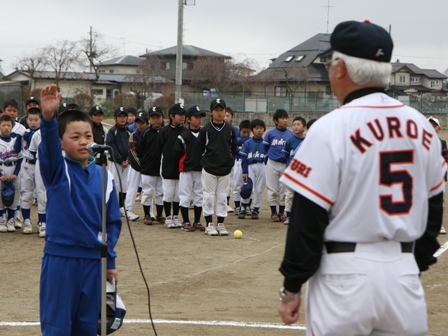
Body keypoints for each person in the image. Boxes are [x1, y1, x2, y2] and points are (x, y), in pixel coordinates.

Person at [278, 20, 446, 336]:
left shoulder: (330, 127)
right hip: (403, 273)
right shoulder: (422, 127)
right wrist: (411, 265)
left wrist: (291, 287)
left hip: (343, 276)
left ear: (341, 69)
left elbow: (307, 218)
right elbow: (434, 208)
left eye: (330, 62)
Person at [39, 84, 122, 335]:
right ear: (62, 144)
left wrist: (110, 261)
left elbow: (111, 223)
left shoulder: (105, 176)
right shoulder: (57, 171)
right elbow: (49, 149)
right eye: (75, 137)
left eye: (88, 136)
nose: (83, 141)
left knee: (88, 327)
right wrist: (48, 118)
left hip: (94, 263)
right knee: (57, 327)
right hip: (61, 260)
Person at [194, 98, 237, 236]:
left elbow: (234, 148)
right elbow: (199, 149)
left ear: (225, 111)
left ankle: (220, 224)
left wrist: (230, 161)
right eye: (216, 110)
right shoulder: (206, 130)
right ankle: (209, 224)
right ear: (211, 112)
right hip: (209, 169)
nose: (219, 113)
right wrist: (204, 163)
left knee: (222, 197)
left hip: (225, 169)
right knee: (208, 197)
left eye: (221, 110)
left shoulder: (230, 129)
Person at [174, 105, 206, 231]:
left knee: (199, 195)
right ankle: (186, 221)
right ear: (188, 119)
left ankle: (197, 221)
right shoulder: (184, 136)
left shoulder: (204, 134)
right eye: (196, 117)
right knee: (185, 195)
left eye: (200, 117)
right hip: (186, 169)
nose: (199, 120)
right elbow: (176, 153)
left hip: (200, 169)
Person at [159, 103, 186, 228]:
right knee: (169, 193)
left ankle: (176, 216)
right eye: (179, 115)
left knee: (177, 194)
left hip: (180, 167)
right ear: (171, 116)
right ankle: (168, 217)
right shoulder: (165, 131)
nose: (182, 117)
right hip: (167, 166)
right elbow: (159, 148)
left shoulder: (185, 131)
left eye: (183, 115)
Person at [263, 108, 293, 222]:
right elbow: (265, 148)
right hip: (272, 163)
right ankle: (273, 212)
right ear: (276, 121)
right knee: (272, 189)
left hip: (285, 163)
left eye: (286, 118)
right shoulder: (270, 134)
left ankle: (281, 212)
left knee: (283, 189)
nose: (285, 121)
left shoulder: (290, 134)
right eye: (282, 118)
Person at [137, 106, 165, 225]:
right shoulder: (145, 133)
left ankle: (159, 215)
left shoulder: (166, 131)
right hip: (148, 168)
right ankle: (147, 215)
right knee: (148, 192)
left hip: (162, 168)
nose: (156, 120)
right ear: (149, 119)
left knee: (160, 192)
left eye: (158, 117)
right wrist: (145, 162)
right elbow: (139, 150)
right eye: (153, 118)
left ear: (162, 118)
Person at [2, 98, 26, 228]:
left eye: (14, 110)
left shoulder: (20, 127)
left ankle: (15, 216)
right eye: (9, 110)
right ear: (3, 111)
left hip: (16, 162)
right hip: (3, 162)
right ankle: (3, 217)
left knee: (17, 191)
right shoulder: (1, 124)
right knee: (2, 192)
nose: (11, 113)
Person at [238, 119, 267, 220]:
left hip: (262, 165)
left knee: (259, 189)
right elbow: (244, 158)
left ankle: (256, 209)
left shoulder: (265, 143)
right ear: (252, 130)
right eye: (256, 128)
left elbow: (268, 157)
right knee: (248, 188)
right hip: (250, 166)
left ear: (264, 130)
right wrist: (245, 171)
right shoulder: (248, 143)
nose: (259, 130)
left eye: (261, 128)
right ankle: (243, 208)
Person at [19, 107, 41, 234]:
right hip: (27, 164)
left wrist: (27, 135)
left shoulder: (42, 133)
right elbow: (17, 148)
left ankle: (42, 222)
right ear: (26, 120)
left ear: (41, 120)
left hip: (40, 164)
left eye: (36, 120)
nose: (33, 122)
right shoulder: (23, 133)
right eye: (30, 120)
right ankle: (26, 221)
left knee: (41, 194)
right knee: (26, 193)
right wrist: (17, 137)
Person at [124, 110, 149, 221]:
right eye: (138, 122)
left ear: (147, 123)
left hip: (148, 167)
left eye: (142, 123)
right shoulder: (133, 135)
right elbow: (132, 152)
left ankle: (150, 212)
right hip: (136, 166)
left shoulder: (150, 134)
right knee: (132, 187)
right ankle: (128, 210)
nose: (139, 125)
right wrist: (140, 165)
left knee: (148, 190)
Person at [106, 107, 131, 216]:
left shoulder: (129, 131)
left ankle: (121, 206)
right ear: (115, 118)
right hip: (116, 162)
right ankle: (113, 207)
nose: (122, 119)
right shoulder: (112, 131)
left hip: (127, 163)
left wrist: (129, 160)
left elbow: (132, 146)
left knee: (125, 185)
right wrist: (120, 160)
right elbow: (111, 147)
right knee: (115, 184)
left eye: (124, 116)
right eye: (120, 116)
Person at [282, 116, 307, 224]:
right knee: (290, 194)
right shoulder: (289, 141)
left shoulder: (307, 140)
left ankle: (301, 216)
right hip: (291, 171)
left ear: (304, 127)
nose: (296, 127)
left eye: (298, 124)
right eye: (294, 125)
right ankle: (288, 215)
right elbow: (286, 155)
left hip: (304, 172)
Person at [0, 115, 23, 232]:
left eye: (8, 125)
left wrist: (16, 173)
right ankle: (2, 220)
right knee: (1, 196)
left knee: (15, 196)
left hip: (13, 170)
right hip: (2, 169)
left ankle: (11, 221)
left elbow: (20, 159)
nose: (6, 128)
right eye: (3, 125)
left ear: (12, 126)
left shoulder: (16, 141)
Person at [427, 116, 448, 234]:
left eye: (434, 126)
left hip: (438, 177)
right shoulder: (419, 141)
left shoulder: (442, 143)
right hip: (423, 177)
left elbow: (445, 158)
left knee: (439, 201)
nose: (431, 128)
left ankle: (438, 225)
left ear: (439, 128)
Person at [232, 120, 251, 215]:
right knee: (237, 185)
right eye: (244, 132)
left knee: (249, 186)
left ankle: (247, 206)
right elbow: (233, 150)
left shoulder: (252, 141)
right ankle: (237, 206)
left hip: (249, 164)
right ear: (240, 131)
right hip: (238, 163)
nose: (246, 134)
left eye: (248, 132)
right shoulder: (237, 141)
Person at [224, 107, 241, 212]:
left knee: (229, 181)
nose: (225, 118)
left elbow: (237, 145)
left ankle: (226, 202)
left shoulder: (235, 130)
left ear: (232, 117)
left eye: (228, 116)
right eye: (224, 115)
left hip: (231, 159)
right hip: (220, 159)